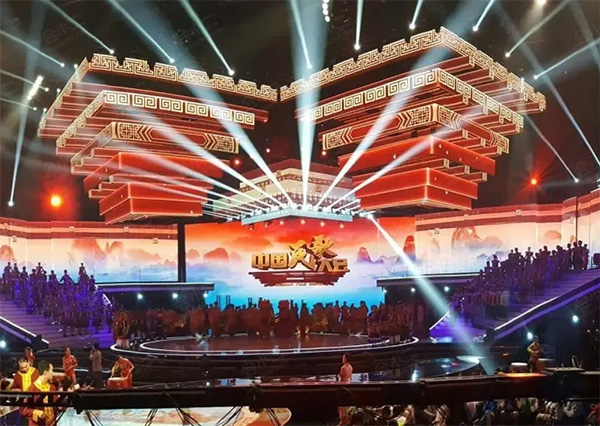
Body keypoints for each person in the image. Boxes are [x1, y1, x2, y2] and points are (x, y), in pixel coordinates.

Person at [20, 360, 57, 425]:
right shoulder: (32, 389)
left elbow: (57, 405)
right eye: (51, 370)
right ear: (45, 372)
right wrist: (37, 413)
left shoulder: (52, 387)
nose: (53, 373)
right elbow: (23, 410)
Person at [338, 353, 353, 426]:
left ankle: (342, 422)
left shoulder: (343, 368)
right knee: (347, 405)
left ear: (346, 359)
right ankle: (348, 421)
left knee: (342, 406)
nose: (342, 359)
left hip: (343, 386)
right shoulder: (350, 367)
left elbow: (341, 378)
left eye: (343, 358)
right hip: (349, 385)